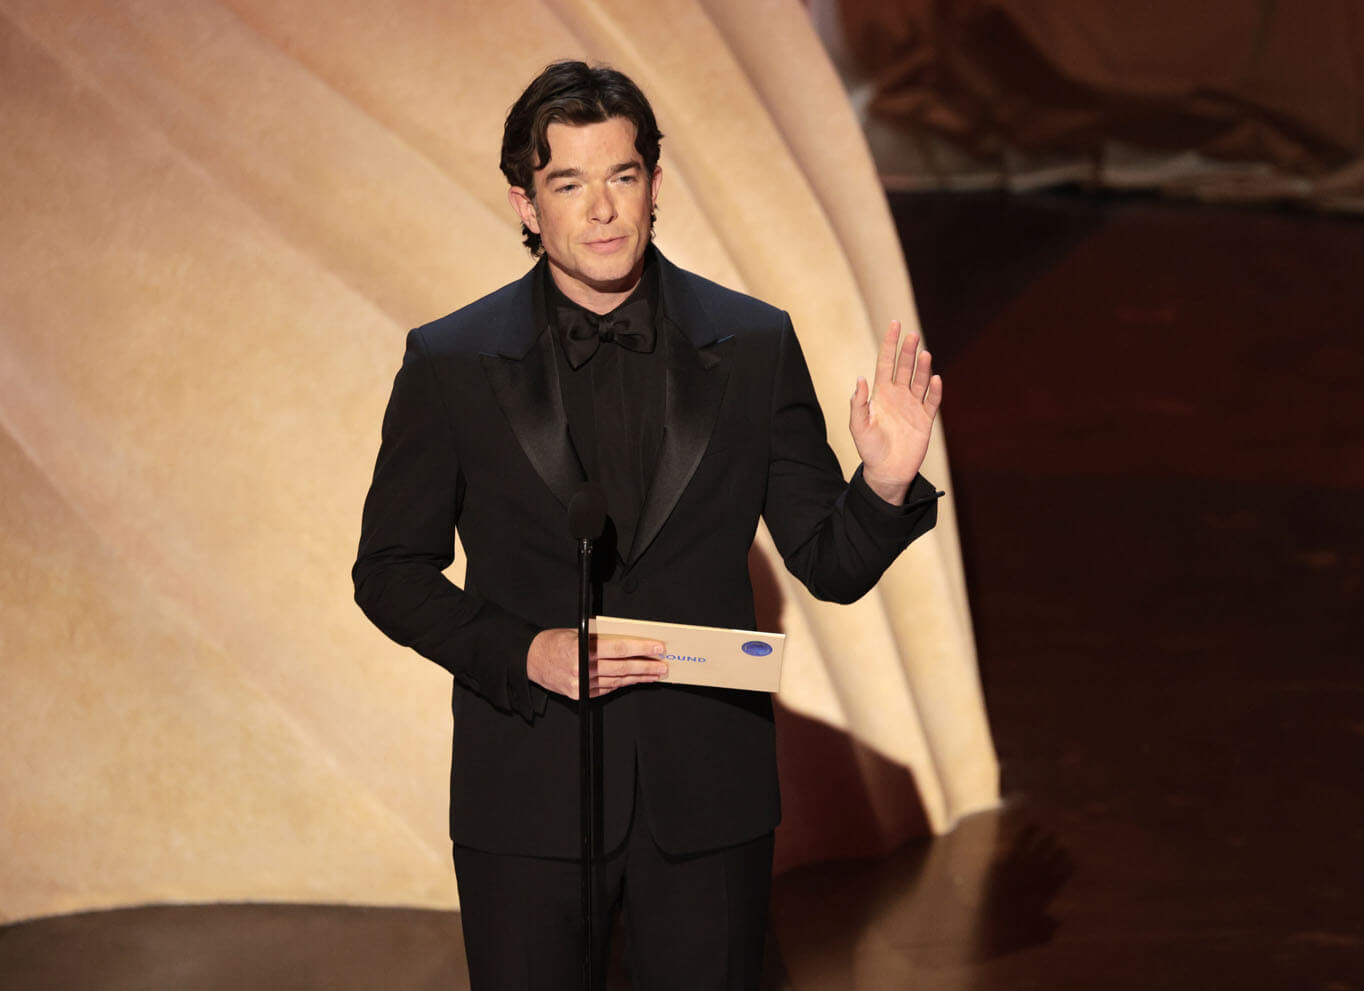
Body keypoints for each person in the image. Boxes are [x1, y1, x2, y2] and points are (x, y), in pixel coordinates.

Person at [352, 60, 943, 990]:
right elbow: (389, 569)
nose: (602, 210)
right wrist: (525, 651)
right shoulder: (450, 362)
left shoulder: (754, 344)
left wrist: (883, 483)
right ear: (524, 203)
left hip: (707, 797)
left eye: (622, 176)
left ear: (655, 184)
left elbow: (828, 563)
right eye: (568, 184)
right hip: (527, 792)